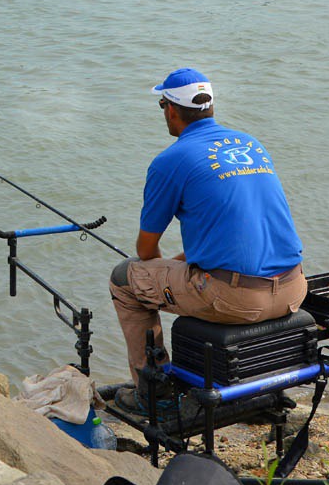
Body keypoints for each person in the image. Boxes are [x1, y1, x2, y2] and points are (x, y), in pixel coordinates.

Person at [109, 67, 307, 406]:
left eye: (161, 105)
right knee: (178, 272)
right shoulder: (251, 144)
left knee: (125, 280)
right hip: (294, 288)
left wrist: (166, 272)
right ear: (210, 106)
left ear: (171, 110)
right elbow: (241, 229)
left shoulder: (170, 160)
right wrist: (184, 264)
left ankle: (153, 393)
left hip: (236, 300)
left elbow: (145, 250)